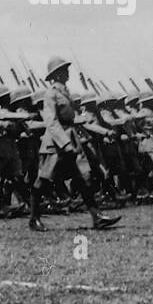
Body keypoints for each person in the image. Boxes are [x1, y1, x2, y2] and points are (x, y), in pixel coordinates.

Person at [28, 56, 120, 232]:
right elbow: (52, 122)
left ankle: (97, 217)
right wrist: (65, 144)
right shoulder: (50, 94)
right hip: (55, 144)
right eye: (63, 70)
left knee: (83, 178)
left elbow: (69, 119)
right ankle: (34, 218)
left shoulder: (65, 93)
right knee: (44, 181)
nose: (67, 72)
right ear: (56, 74)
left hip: (70, 139)